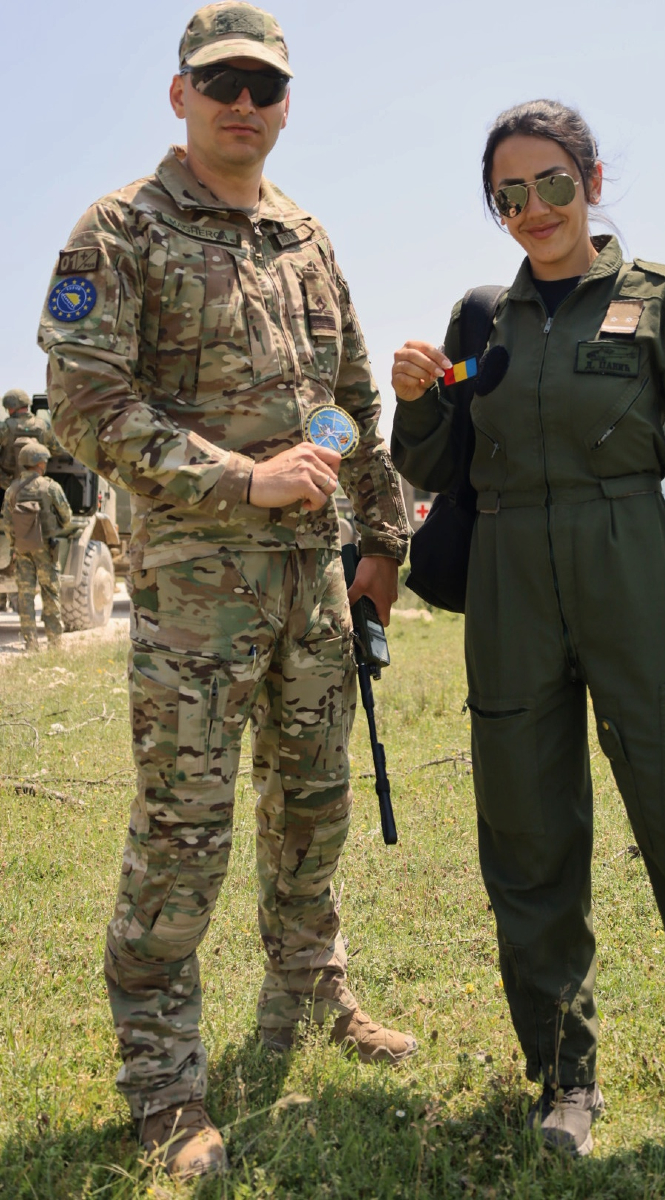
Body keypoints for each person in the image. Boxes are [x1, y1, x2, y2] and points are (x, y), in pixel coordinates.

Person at [38, 2, 413, 1181]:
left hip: (312, 587)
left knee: (313, 806)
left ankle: (311, 989)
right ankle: (162, 1080)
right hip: (198, 594)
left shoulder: (305, 237)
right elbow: (86, 405)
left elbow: (352, 398)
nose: (243, 104)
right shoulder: (120, 229)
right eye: (221, 84)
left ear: (285, 105)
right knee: (183, 834)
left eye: (264, 87)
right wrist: (241, 478)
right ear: (180, 96)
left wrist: (382, 538)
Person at [391, 100, 665, 1169]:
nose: (533, 209)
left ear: (592, 181)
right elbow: (432, 468)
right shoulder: (485, 320)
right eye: (509, 195)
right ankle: (563, 1078)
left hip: (632, 576)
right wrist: (415, 401)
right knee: (527, 843)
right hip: (509, 590)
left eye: (553, 184)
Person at [1, 442, 72, 652]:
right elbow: (67, 517)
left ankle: (30, 644)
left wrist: (15, 546)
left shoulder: (12, 489)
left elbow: (6, 523)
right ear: (40, 463)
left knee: (25, 596)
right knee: (50, 594)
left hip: (22, 549)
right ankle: (54, 644)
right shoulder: (50, 487)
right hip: (46, 550)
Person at [0, 389, 61, 489]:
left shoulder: (5, 427)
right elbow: (57, 450)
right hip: (35, 484)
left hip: (8, 484)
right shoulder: (43, 426)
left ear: (11, 408)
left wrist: (4, 480)